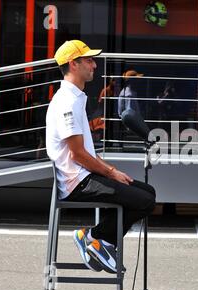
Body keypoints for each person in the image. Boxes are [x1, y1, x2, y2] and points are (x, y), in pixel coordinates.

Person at [46, 40, 156, 274]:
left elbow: (86, 151)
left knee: (148, 193)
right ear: (73, 64)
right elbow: (77, 154)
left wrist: (110, 170)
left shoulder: (75, 97)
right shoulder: (67, 102)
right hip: (77, 182)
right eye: (88, 60)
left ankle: (98, 241)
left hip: (84, 176)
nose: (94, 65)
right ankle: (96, 238)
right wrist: (110, 172)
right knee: (144, 200)